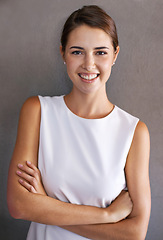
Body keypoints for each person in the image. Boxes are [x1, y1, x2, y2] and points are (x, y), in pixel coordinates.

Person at [7, 5, 151, 240]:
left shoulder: (134, 132)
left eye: (100, 52)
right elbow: (19, 205)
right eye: (77, 52)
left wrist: (45, 205)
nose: (89, 64)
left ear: (115, 55)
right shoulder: (37, 110)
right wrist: (107, 215)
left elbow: (134, 233)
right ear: (63, 53)